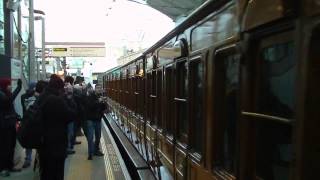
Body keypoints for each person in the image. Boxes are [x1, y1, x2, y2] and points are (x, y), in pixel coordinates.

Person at [38, 75, 75, 180]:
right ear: (59, 88)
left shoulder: (42, 97)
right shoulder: (56, 100)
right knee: (56, 173)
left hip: (43, 142)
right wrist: (69, 96)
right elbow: (71, 115)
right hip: (56, 144)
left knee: (45, 172)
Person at [20, 80, 48, 168]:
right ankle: (37, 160)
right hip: (35, 122)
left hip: (27, 121)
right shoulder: (38, 98)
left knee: (29, 141)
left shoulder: (23, 96)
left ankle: (28, 159)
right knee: (37, 141)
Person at [0, 78, 22, 177]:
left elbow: (10, 108)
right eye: (8, 84)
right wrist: (18, 88)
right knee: (5, 147)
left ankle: (10, 165)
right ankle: (3, 168)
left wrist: (16, 116)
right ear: (4, 85)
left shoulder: (7, 94)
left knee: (12, 146)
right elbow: (8, 102)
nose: (10, 86)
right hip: (4, 126)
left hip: (10, 123)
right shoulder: (1, 94)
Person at [84, 88, 106, 160]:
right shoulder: (89, 97)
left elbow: (103, 108)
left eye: (100, 89)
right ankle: (90, 153)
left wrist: (103, 102)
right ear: (94, 89)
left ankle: (96, 150)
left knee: (98, 136)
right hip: (90, 120)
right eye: (98, 89)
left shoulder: (100, 97)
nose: (99, 90)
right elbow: (90, 106)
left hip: (98, 119)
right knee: (90, 137)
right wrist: (98, 102)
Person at [64, 82, 77, 155]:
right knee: (68, 134)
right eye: (68, 88)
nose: (69, 90)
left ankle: (69, 146)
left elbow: (75, 105)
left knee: (71, 133)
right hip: (67, 119)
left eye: (70, 88)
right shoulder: (63, 96)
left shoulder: (73, 96)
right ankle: (67, 148)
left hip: (72, 118)